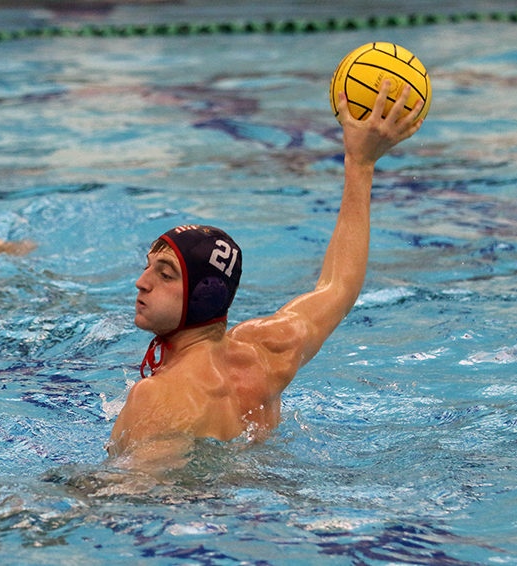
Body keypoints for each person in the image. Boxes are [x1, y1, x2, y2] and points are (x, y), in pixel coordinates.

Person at [107, 81, 424, 471]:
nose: (142, 281)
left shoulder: (157, 398)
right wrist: (360, 163)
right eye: (148, 265)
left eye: (166, 274)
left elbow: (128, 497)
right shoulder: (266, 352)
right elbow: (339, 286)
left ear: (202, 296)